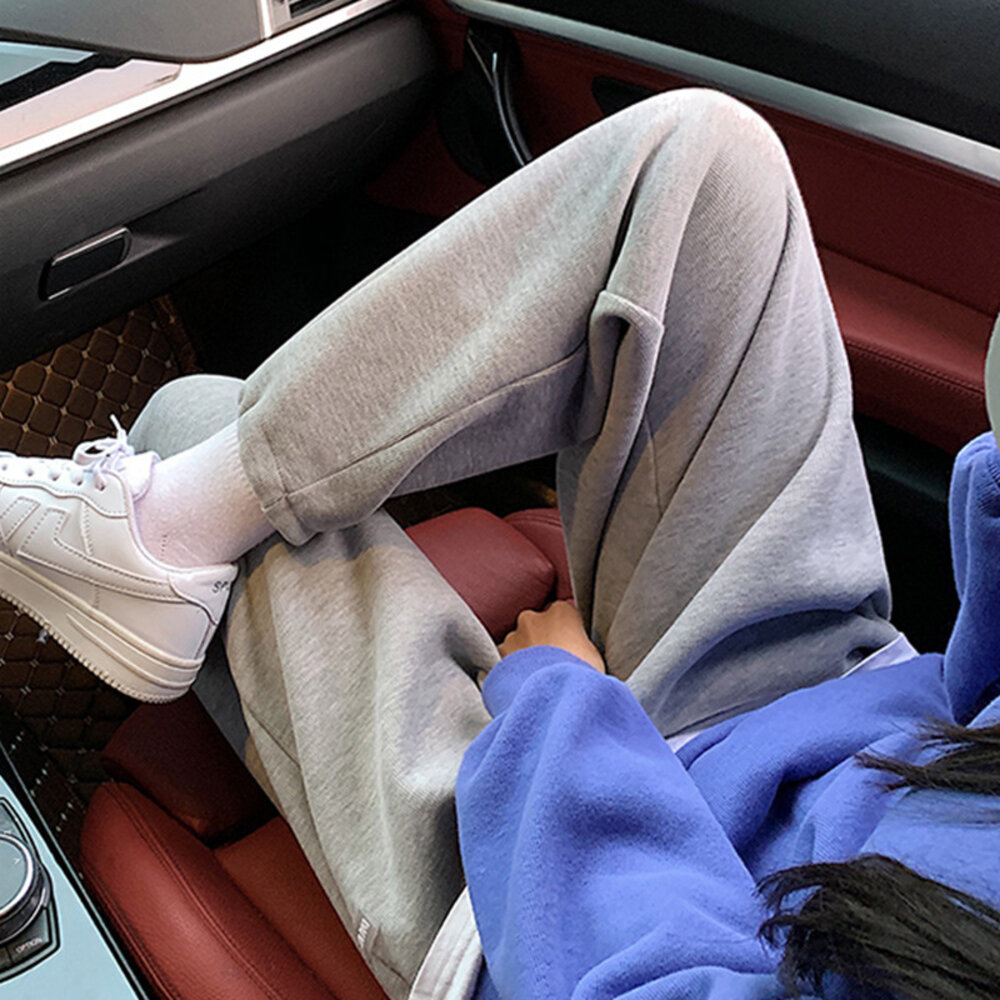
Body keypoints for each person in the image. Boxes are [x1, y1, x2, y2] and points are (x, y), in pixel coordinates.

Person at [0, 88, 996, 999]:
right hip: (866, 731)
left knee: (191, 421)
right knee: (706, 169)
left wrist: (567, 705)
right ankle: (159, 527)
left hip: (599, 918)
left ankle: (158, 530)